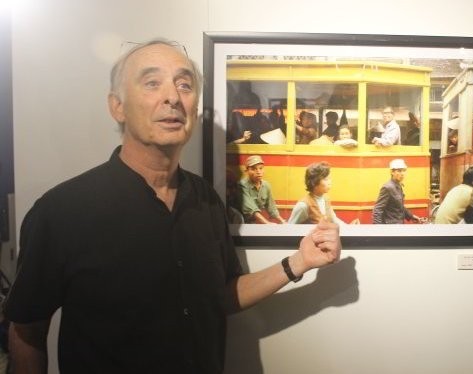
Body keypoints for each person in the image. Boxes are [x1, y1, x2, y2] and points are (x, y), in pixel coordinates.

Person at [3, 39, 341, 374]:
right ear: (117, 106)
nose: (172, 97)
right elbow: (27, 328)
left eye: (184, 85)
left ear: (194, 108)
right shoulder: (62, 211)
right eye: (152, 83)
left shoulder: (205, 200)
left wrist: (300, 261)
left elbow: (220, 296)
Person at [289, 162, 359, 225]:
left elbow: (334, 219)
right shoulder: (303, 206)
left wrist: (349, 228)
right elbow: (288, 230)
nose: (330, 182)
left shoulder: (326, 199)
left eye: (329, 178)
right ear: (314, 183)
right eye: (326, 179)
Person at [372, 159, 425, 224]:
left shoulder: (398, 186)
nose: (402, 174)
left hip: (398, 225)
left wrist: (411, 216)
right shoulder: (387, 187)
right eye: (399, 171)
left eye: (404, 171)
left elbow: (400, 206)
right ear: (392, 172)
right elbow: (377, 210)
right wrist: (379, 230)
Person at [238, 155, 287, 224]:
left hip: (252, 222)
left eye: (261, 168)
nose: (258, 172)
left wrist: (282, 221)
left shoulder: (266, 186)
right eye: (254, 169)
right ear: (247, 170)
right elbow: (252, 210)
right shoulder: (242, 185)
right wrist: (267, 223)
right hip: (239, 223)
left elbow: (271, 207)